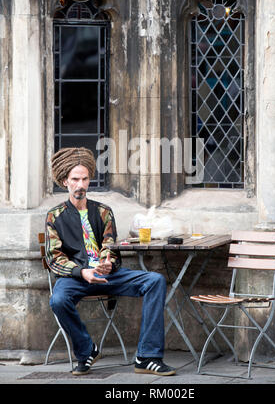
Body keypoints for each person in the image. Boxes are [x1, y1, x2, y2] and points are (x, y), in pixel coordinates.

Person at [45, 147, 176, 376]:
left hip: (107, 276)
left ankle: (147, 357)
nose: (81, 185)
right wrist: (82, 272)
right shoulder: (54, 216)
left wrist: (108, 263)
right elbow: (54, 258)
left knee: (155, 280)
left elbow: (111, 247)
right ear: (65, 181)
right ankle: (87, 351)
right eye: (75, 179)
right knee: (58, 299)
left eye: (85, 179)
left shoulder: (104, 211)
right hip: (77, 277)